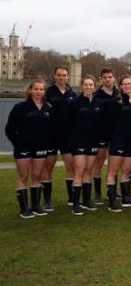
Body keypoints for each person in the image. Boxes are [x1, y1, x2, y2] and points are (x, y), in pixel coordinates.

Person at [5, 81, 55, 218]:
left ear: (44, 91)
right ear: (30, 90)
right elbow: (9, 129)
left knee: (37, 177)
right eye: (36, 89)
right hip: (23, 148)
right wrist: (18, 143)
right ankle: (24, 209)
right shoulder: (20, 107)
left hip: (41, 148)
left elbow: (52, 129)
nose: (39, 92)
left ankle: (36, 206)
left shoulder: (48, 108)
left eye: (41, 89)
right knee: (23, 177)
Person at [105, 76, 131, 211]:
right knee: (113, 171)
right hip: (118, 141)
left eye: (129, 84)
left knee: (126, 171)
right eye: (124, 84)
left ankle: (127, 198)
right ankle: (112, 200)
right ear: (120, 86)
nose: (127, 86)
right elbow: (109, 123)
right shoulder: (115, 102)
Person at [43, 65, 77, 209]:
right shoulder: (48, 92)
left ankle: (71, 197)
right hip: (51, 136)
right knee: (48, 168)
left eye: (64, 75)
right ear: (54, 76)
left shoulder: (72, 93)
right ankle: (47, 200)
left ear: (67, 76)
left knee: (71, 166)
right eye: (59, 75)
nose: (62, 77)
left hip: (67, 137)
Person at [68, 76, 102, 215]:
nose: (88, 87)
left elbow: (102, 123)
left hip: (93, 142)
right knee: (79, 170)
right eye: (86, 85)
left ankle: (86, 200)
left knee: (88, 170)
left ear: (94, 86)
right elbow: (69, 123)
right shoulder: (75, 102)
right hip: (79, 142)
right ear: (82, 87)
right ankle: (76, 203)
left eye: (91, 84)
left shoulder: (98, 102)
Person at [92, 68, 119, 206]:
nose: (108, 79)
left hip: (115, 134)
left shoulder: (118, 93)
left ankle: (112, 191)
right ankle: (97, 193)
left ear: (114, 78)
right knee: (99, 163)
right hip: (101, 134)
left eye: (110, 77)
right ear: (101, 79)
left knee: (114, 163)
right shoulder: (97, 95)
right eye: (105, 77)